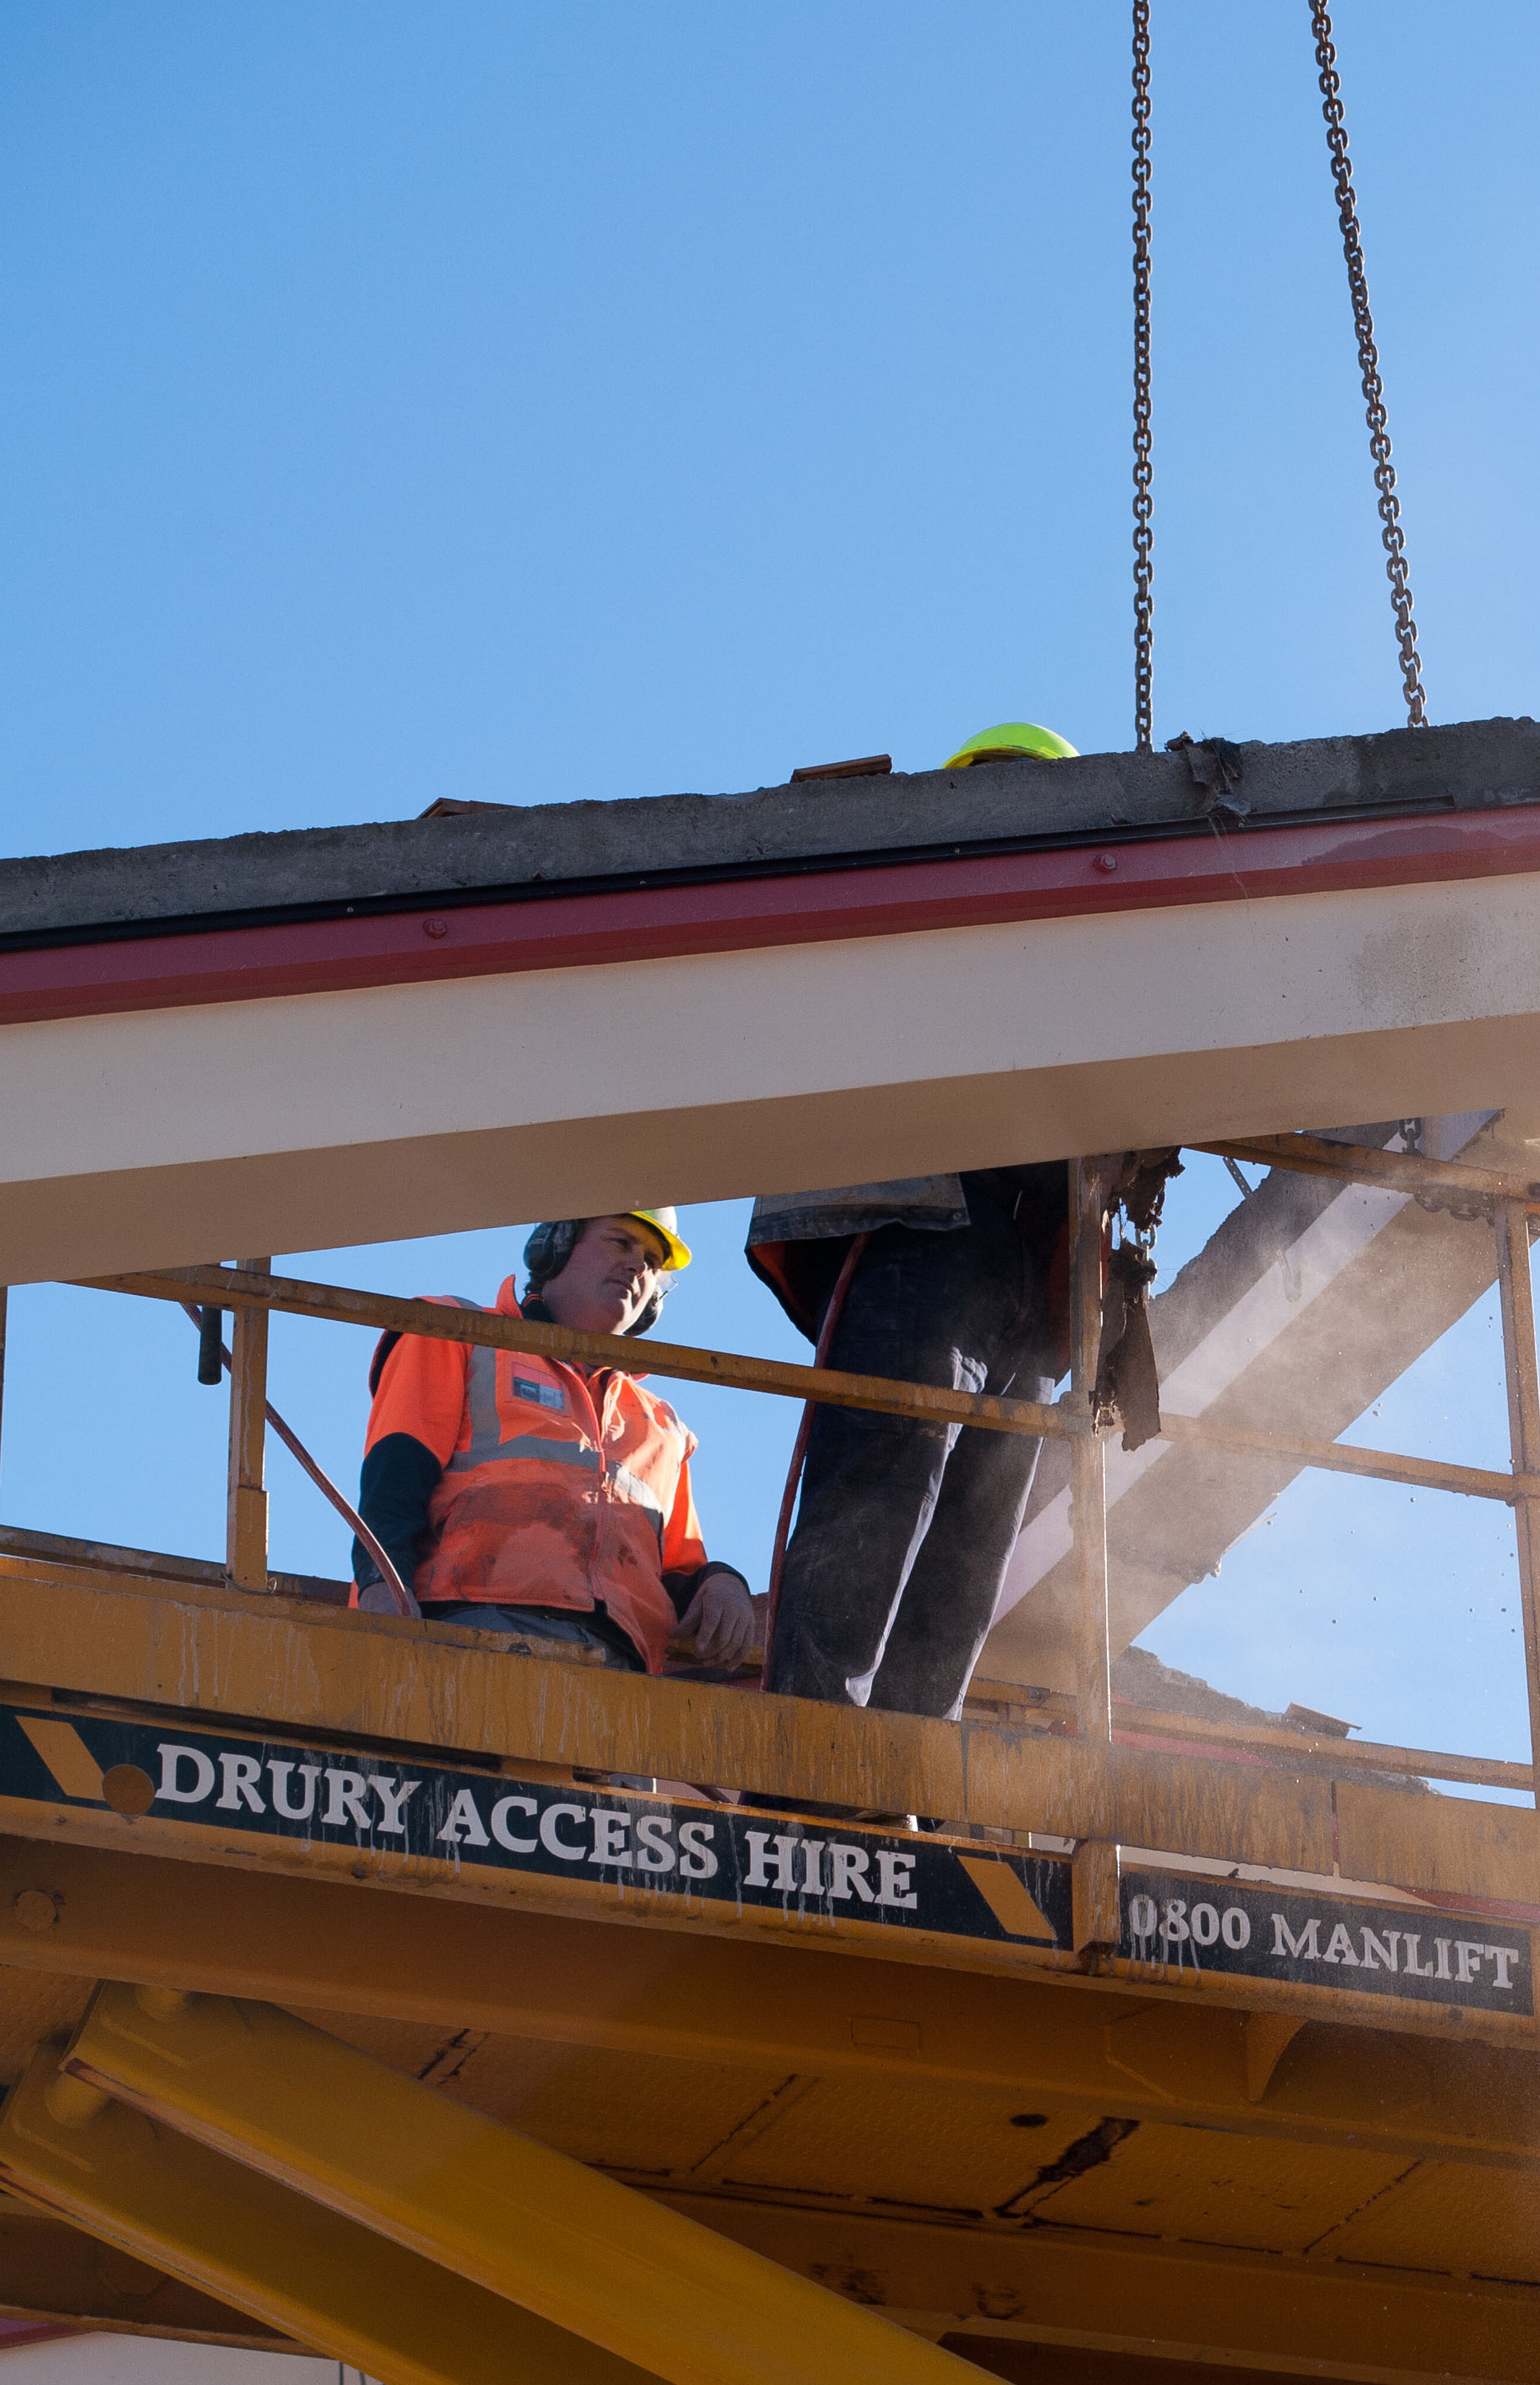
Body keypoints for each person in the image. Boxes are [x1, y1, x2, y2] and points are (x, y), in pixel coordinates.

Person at [747, 721, 1087, 1722]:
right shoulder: (931, 894)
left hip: (1023, 1267)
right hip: (924, 1225)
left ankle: (902, 1765)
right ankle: (818, 1744)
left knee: (979, 1535)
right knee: (892, 1473)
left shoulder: (1078, 937)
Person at [353, 1209, 757, 1677]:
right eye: (620, 1242)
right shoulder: (455, 1332)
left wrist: (722, 1580)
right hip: (477, 1629)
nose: (638, 1267)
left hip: (623, 1662)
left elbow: (679, 1571)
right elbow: (394, 1482)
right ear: (557, 1244)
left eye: (652, 1260)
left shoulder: (661, 1424)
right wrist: (382, 1594)